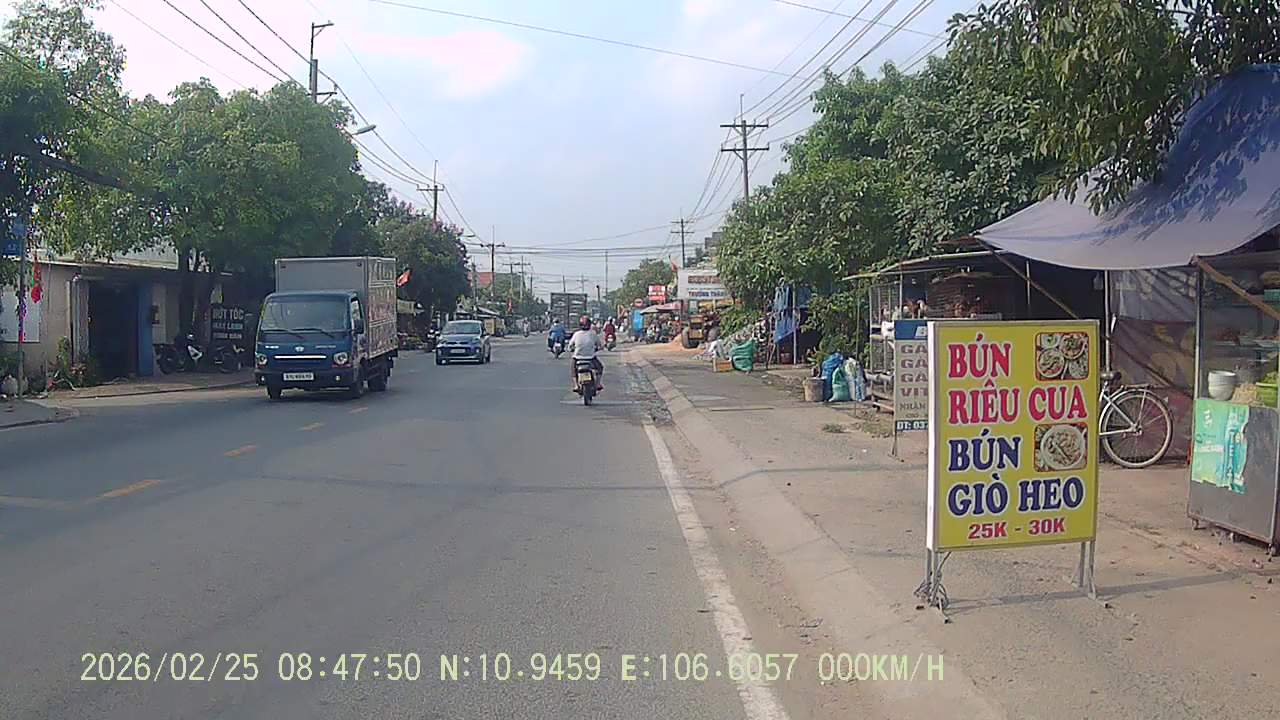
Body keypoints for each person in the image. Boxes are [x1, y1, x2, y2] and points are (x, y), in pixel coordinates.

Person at [567, 316, 604, 390]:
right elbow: (599, 345)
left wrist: (571, 349)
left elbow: (570, 346)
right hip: (591, 358)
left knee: (573, 370)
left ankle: (576, 385)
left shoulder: (576, 334)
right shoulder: (593, 334)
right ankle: (597, 384)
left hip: (577, 358)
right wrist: (597, 348)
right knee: (600, 368)